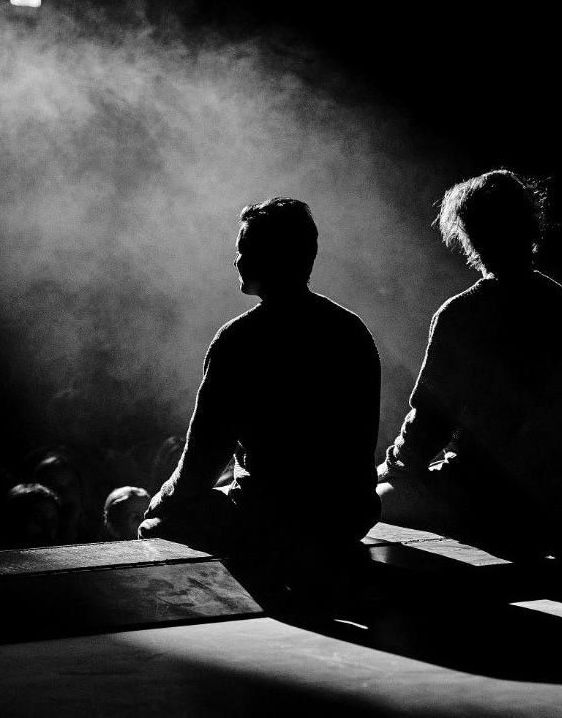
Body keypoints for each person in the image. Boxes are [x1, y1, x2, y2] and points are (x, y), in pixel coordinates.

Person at [140, 197, 382, 555]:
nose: (236, 261)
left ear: (270, 258)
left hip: (273, 521)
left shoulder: (239, 340)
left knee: (155, 526)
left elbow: (201, 464)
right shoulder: (351, 329)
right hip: (349, 517)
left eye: (244, 250)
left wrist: (160, 501)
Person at [376, 169, 562, 556]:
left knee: (375, 496)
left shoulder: (462, 313)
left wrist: (393, 466)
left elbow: (430, 423)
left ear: (469, 235)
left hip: (489, 498)